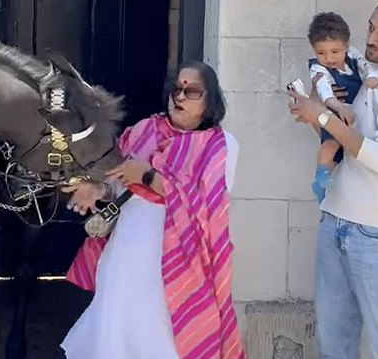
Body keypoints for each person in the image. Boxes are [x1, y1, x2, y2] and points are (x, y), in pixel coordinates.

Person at [60, 61, 245, 359]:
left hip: (180, 266)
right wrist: (94, 188)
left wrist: (148, 176)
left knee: (165, 342)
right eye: (177, 89)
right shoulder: (144, 129)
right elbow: (115, 180)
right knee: (115, 338)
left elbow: (207, 206)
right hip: (123, 258)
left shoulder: (221, 146)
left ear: (210, 99)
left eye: (192, 91)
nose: (180, 97)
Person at [288, 0, 378, 359]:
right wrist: (318, 118)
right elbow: (346, 142)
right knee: (334, 343)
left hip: (377, 235)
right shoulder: (368, 75)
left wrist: (322, 117)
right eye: (370, 27)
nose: (372, 38)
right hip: (336, 219)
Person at [303, 11, 378, 203]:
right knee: (330, 145)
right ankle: (321, 180)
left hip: (355, 115)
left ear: (346, 46)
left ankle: (329, 183)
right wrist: (338, 106)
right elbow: (325, 93)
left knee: (344, 152)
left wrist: (371, 77)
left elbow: (365, 66)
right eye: (321, 53)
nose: (328, 58)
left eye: (335, 52)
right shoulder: (319, 70)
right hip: (335, 113)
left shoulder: (353, 56)